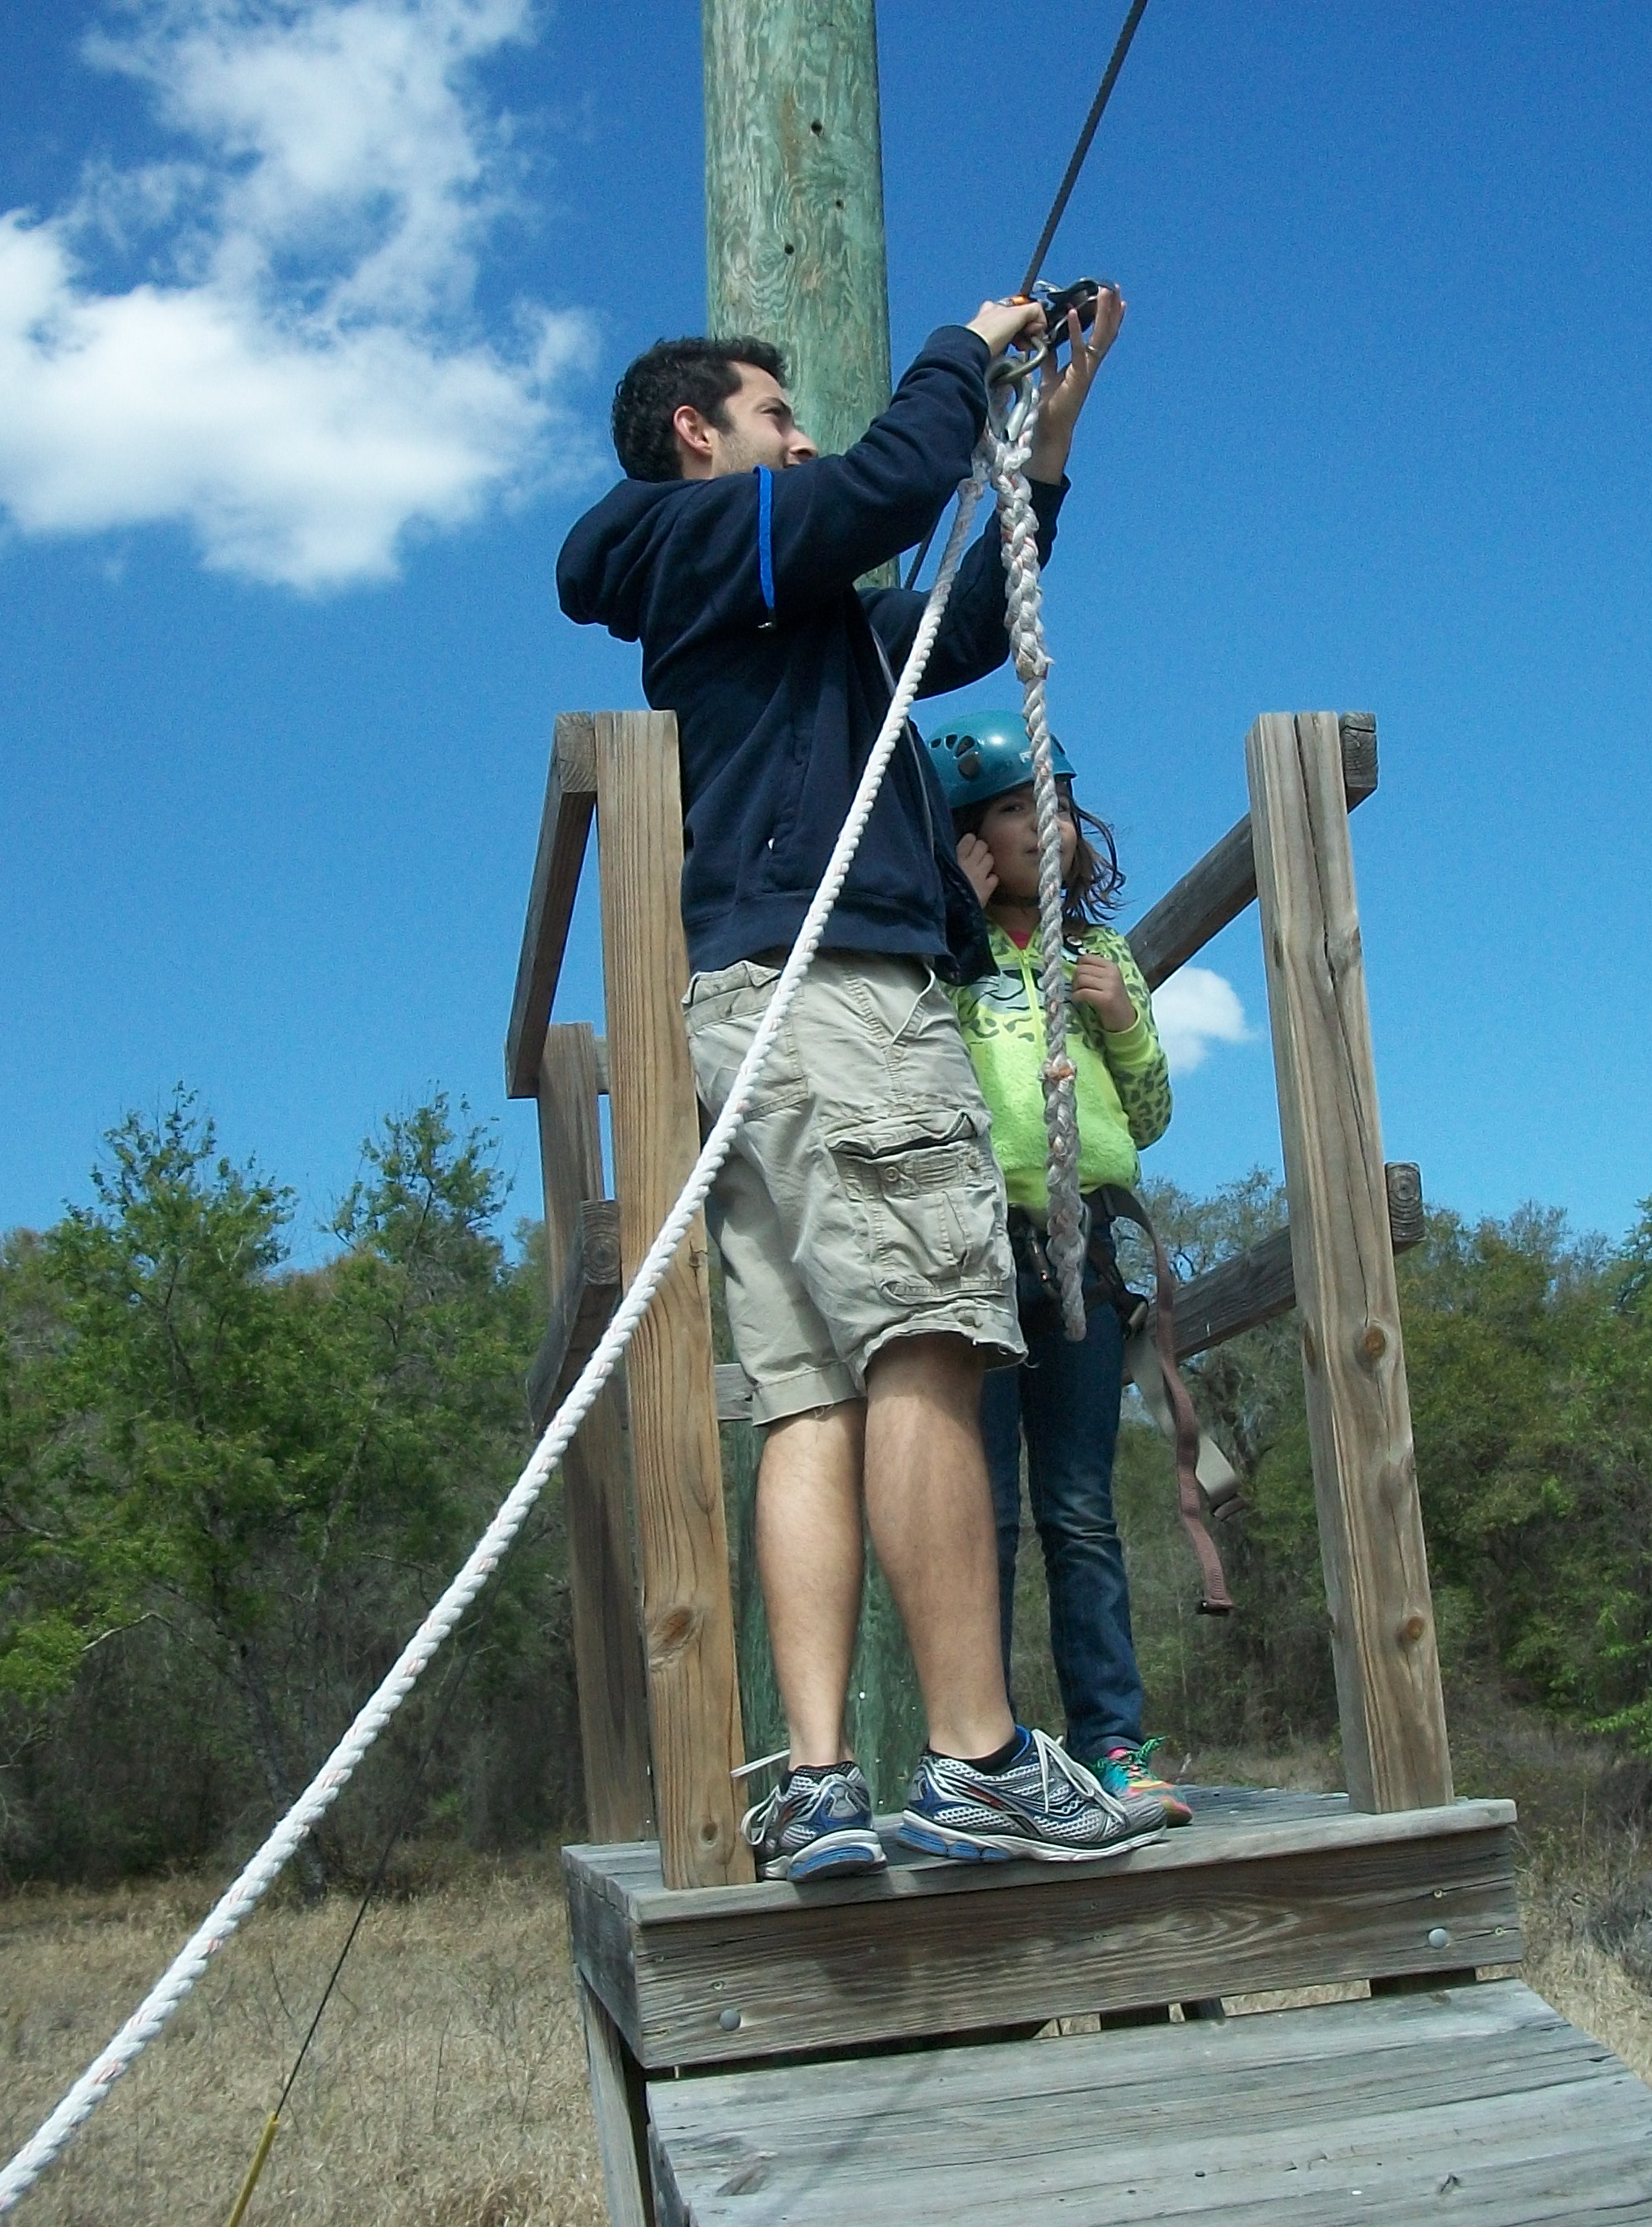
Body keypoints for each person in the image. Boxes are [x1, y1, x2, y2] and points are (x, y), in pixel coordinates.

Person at [556, 287, 1175, 1879]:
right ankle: (974, 1756)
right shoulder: (697, 542)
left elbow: (960, 625)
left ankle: (825, 1778)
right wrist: (965, 348)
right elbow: (885, 483)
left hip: (763, 1014)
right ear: (700, 433)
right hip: (836, 999)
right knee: (930, 1333)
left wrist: (1045, 421)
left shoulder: (799, 615)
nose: (803, 438)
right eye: (776, 416)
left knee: (812, 1396)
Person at [928, 708, 1194, 1827]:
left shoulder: (1101, 957)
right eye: (1011, 806)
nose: (1048, 823)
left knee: (1080, 1511)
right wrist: (951, 912)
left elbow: (1153, 1114)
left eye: (1061, 802)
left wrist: (1124, 1023)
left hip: (1081, 1259)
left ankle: (1113, 1749)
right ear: (965, 836)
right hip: (975, 1257)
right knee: (977, 1513)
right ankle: (981, 1755)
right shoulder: (944, 957)